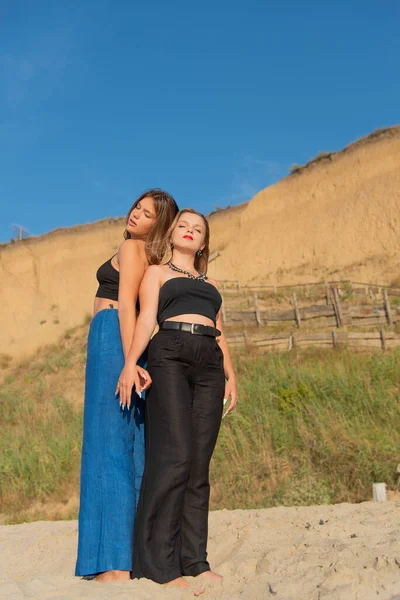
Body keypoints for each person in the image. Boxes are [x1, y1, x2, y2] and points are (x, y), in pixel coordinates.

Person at [117, 208, 238, 593]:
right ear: (172, 236)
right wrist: (131, 363)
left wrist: (231, 375)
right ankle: (159, 564)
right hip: (169, 352)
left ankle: (195, 561)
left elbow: (220, 332)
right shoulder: (157, 273)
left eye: (197, 229)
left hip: (209, 364)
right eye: (183, 226)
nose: (189, 231)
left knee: (199, 464)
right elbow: (145, 318)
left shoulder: (213, 284)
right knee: (174, 457)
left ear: (203, 243)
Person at [75, 189, 179, 582]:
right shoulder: (149, 258)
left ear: (159, 225)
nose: (136, 214)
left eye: (147, 213)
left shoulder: (133, 249)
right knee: (128, 445)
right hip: (123, 342)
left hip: (113, 339)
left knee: (108, 446)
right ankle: (132, 557)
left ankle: (116, 564)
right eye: (137, 207)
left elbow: (127, 307)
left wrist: (127, 363)